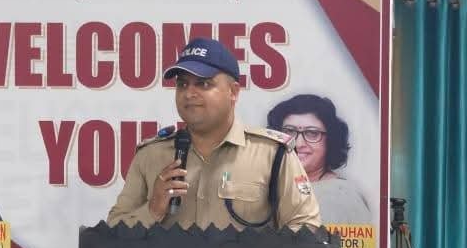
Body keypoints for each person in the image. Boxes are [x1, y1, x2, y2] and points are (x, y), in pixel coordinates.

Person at [107, 38, 321, 231]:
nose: (189, 93)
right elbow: (112, 232)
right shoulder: (151, 155)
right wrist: (152, 209)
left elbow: (306, 228)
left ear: (233, 92)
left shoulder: (272, 155)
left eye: (203, 84)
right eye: (182, 84)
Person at [266, 94, 370, 225]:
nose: (298, 144)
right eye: (289, 131)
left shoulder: (343, 196)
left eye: (312, 133)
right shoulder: (270, 186)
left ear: (330, 141)